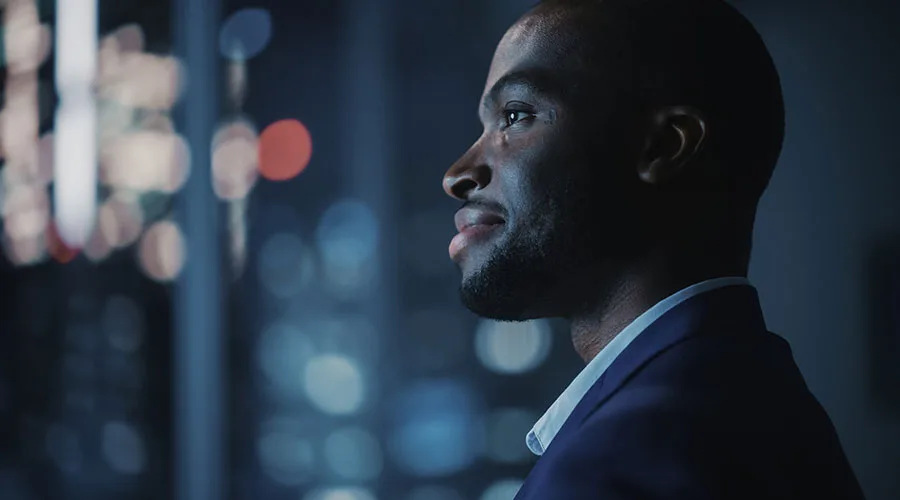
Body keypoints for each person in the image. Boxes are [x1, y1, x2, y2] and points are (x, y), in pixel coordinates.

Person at [441, 0, 866, 498]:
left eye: (515, 115)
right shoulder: (762, 402)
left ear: (663, 146)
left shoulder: (621, 459)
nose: (457, 175)